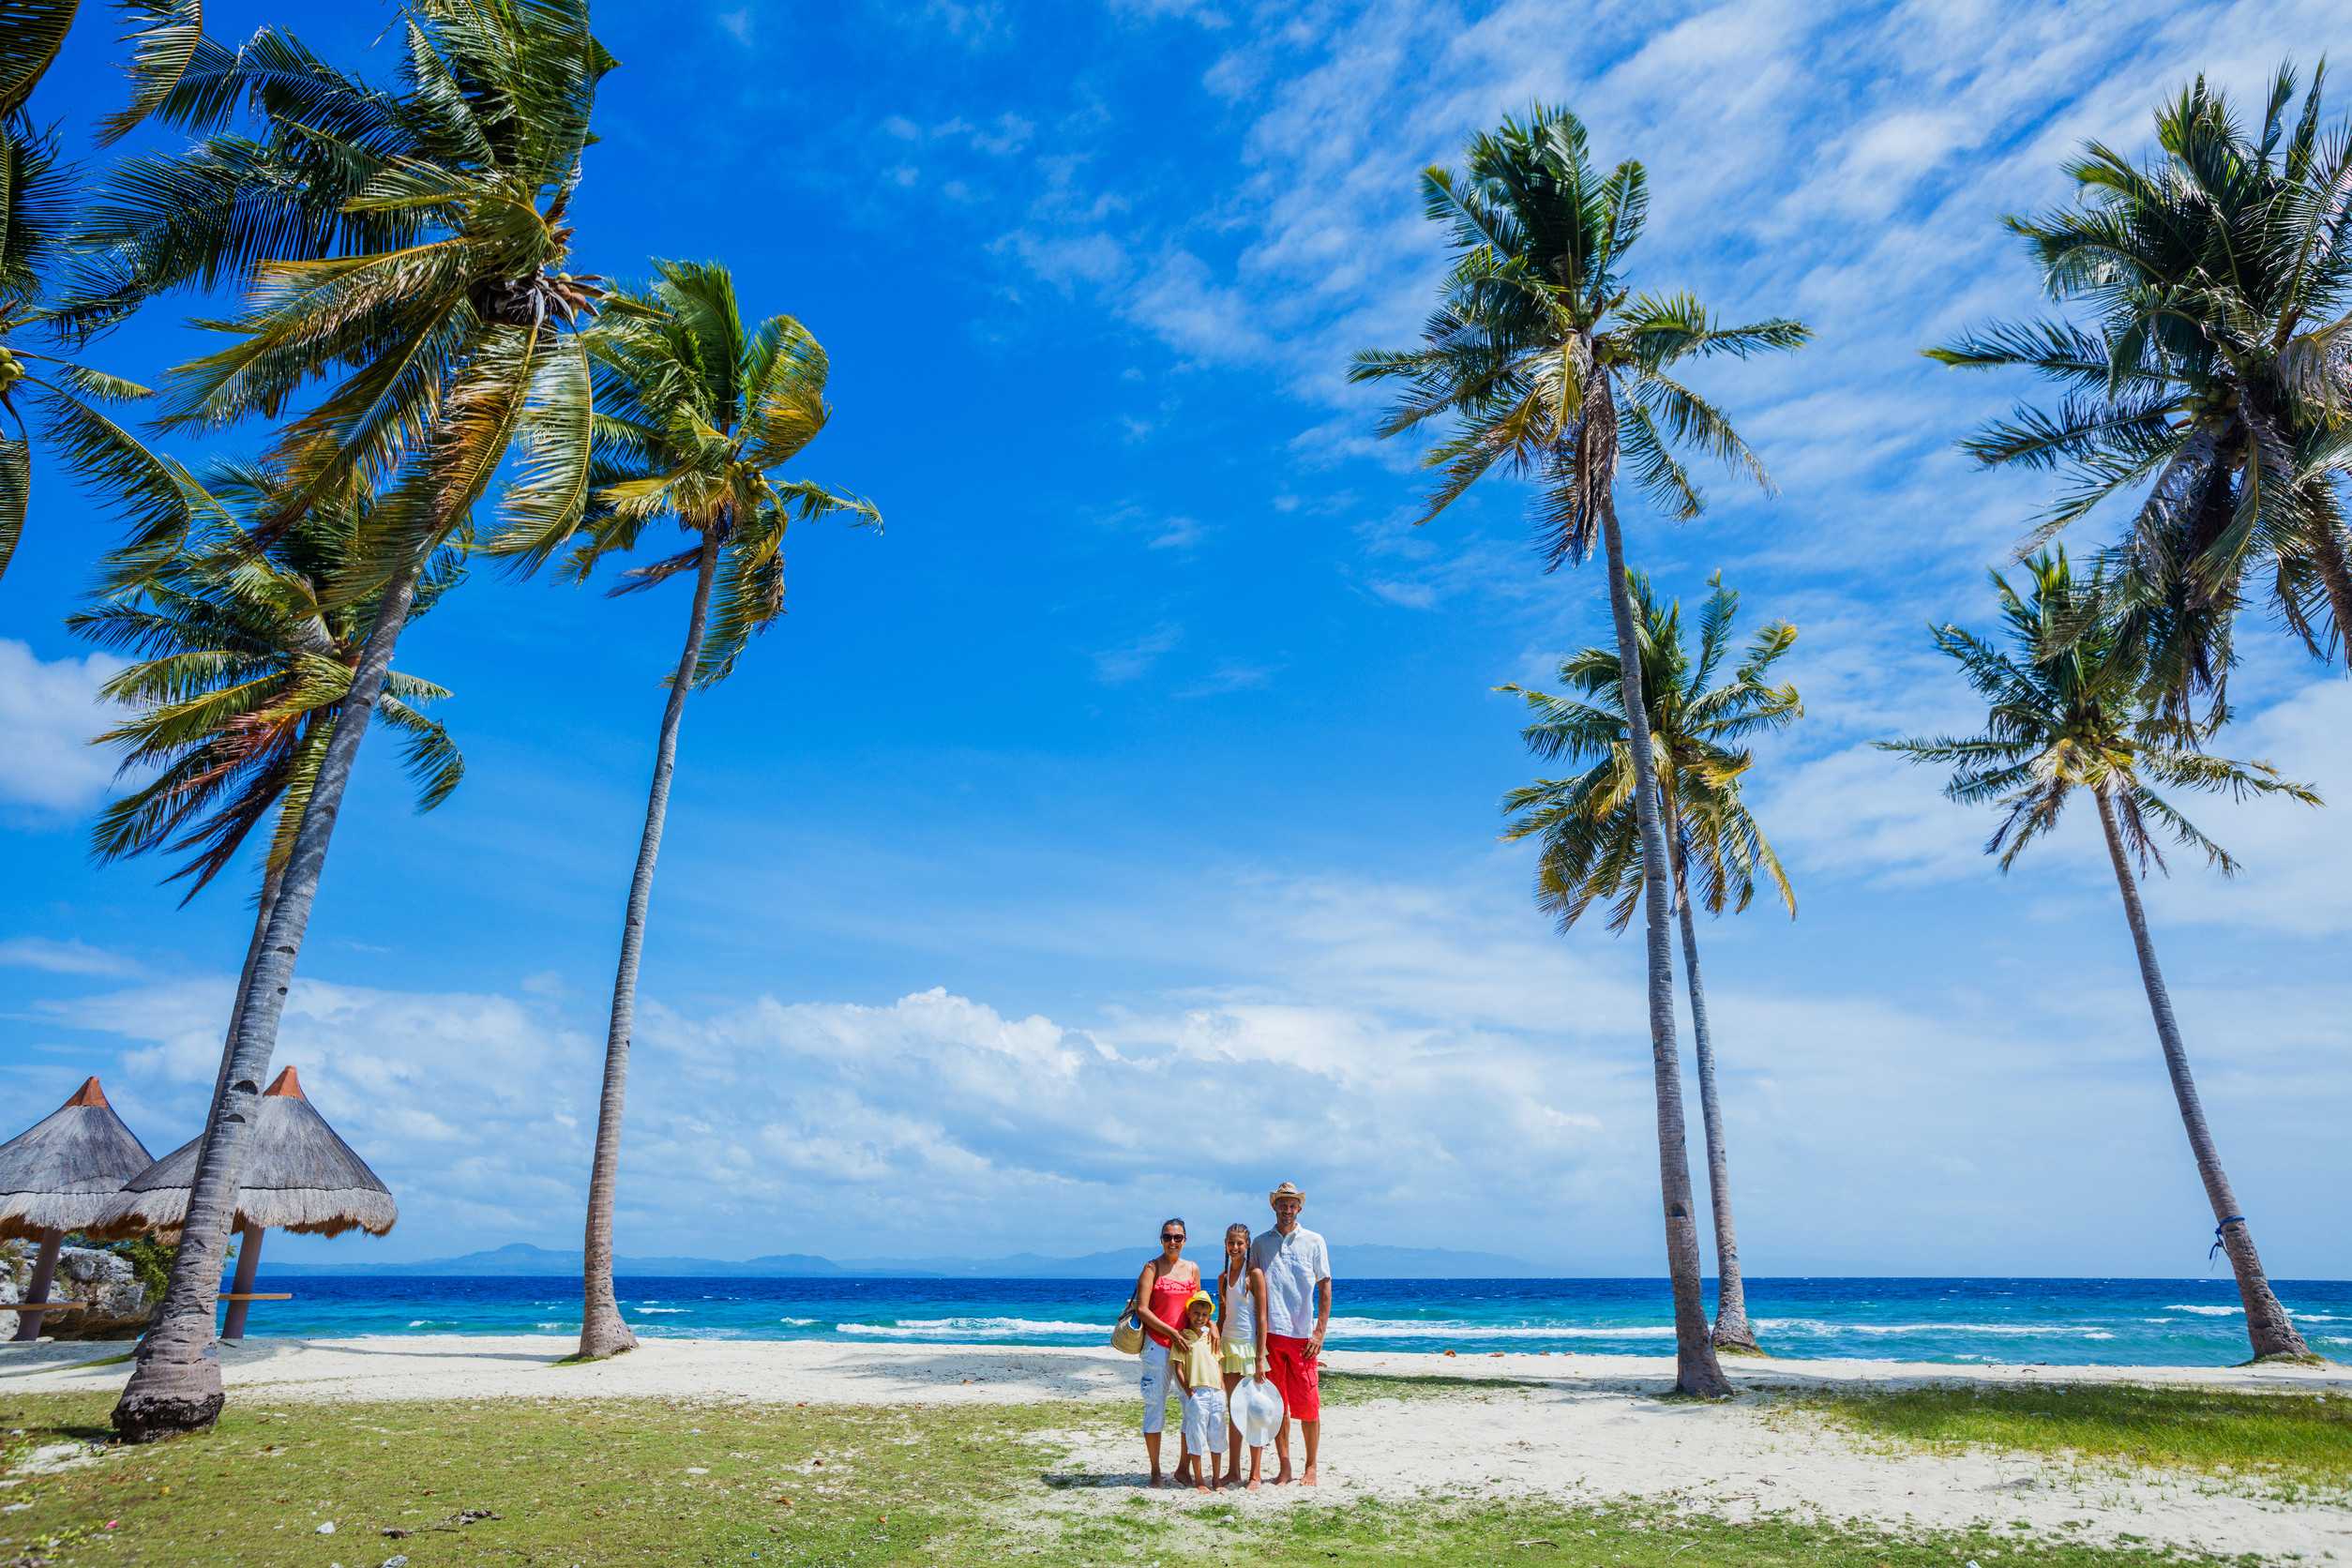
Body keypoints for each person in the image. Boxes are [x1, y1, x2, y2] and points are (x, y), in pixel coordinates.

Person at [1250, 1180, 1331, 1486]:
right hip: (1270, 1336)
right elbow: (1252, 1288)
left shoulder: (1314, 1241)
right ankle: (1284, 1465)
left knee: (1309, 1405)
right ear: (1274, 1206)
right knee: (1277, 1405)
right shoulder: (1260, 1244)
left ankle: (1311, 1466)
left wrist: (1319, 1331)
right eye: (1282, 1203)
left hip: (1302, 1338)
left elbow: (1325, 1286)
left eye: (1292, 1204)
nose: (1287, 1209)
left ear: (1300, 1207)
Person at [1124, 1215, 1200, 1486]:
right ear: (1161, 1240)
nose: (1172, 1242)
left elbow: (1198, 1307)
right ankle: (1155, 1471)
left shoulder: (1192, 1269)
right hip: (1157, 1346)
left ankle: (1183, 1468)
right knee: (1154, 1406)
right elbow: (1142, 1309)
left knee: (1191, 1405)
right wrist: (1171, 1332)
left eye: (1177, 1237)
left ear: (1185, 1240)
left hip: (1185, 1348)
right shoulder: (1151, 1268)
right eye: (1167, 1237)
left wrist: (1208, 1329)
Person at [1216, 1220, 1271, 1489]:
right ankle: (1233, 1470)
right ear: (1225, 1245)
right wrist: (1213, 1348)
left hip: (1249, 1350)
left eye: (1239, 1243)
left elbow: (1262, 1320)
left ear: (1247, 1245)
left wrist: (1260, 1358)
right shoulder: (1223, 1278)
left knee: (1253, 1411)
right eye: (1231, 1242)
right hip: (1228, 1347)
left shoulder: (1255, 1275)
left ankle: (1256, 1474)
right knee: (1233, 1410)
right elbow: (1222, 1317)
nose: (1235, 1247)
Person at [1170, 1289, 1227, 1491]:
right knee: (1196, 1436)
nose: (1200, 1318)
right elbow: (1178, 1367)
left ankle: (1217, 1479)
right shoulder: (1183, 1338)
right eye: (1196, 1313)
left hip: (1217, 1393)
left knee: (1217, 1435)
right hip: (1197, 1393)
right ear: (1189, 1313)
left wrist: (1221, 1388)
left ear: (1208, 1316)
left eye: (1204, 1315)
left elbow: (1218, 1363)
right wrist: (1189, 1391)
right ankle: (1200, 1479)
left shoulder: (1212, 1338)